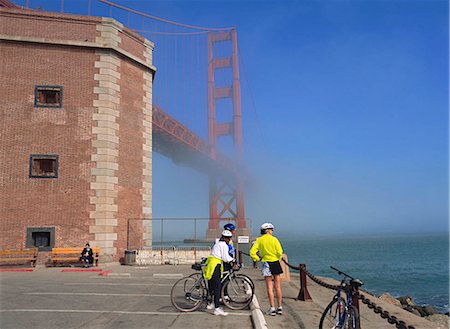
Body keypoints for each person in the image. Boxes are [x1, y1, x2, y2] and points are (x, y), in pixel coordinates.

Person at [250, 222, 284, 316]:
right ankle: (280, 307)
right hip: (275, 263)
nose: (272, 231)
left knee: (269, 287)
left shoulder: (259, 240)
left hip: (266, 263)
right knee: (277, 286)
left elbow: (252, 252)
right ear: (268, 230)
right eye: (271, 229)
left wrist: (258, 259)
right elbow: (280, 252)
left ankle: (272, 308)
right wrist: (277, 258)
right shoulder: (275, 239)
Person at [203, 230, 235, 316]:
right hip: (215, 266)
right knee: (218, 287)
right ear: (228, 238)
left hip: (211, 265)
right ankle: (217, 309)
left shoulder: (217, 243)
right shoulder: (224, 245)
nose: (229, 240)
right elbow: (225, 258)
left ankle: (213, 303)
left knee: (212, 286)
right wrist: (233, 260)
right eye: (229, 238)